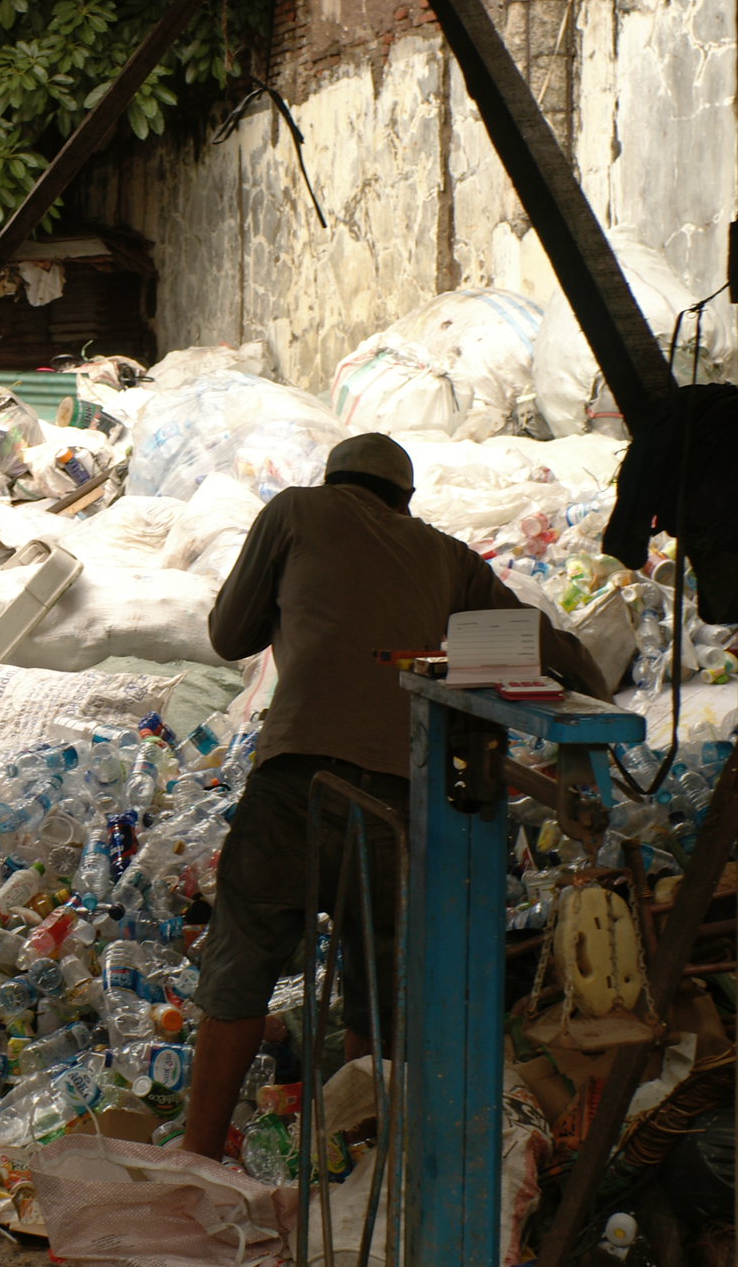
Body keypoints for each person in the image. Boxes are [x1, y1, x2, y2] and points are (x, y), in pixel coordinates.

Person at [180, 432, 607, 1161]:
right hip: (396, 796)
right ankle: (358, 1158)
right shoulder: (443, 553)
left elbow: (227, 636)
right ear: (405, 502)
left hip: (295, 781)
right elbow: (532, 639)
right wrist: (592, 678)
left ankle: (194, 1157)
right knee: (378, 985)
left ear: (333, 478)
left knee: (241, 970)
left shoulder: (294, 512)